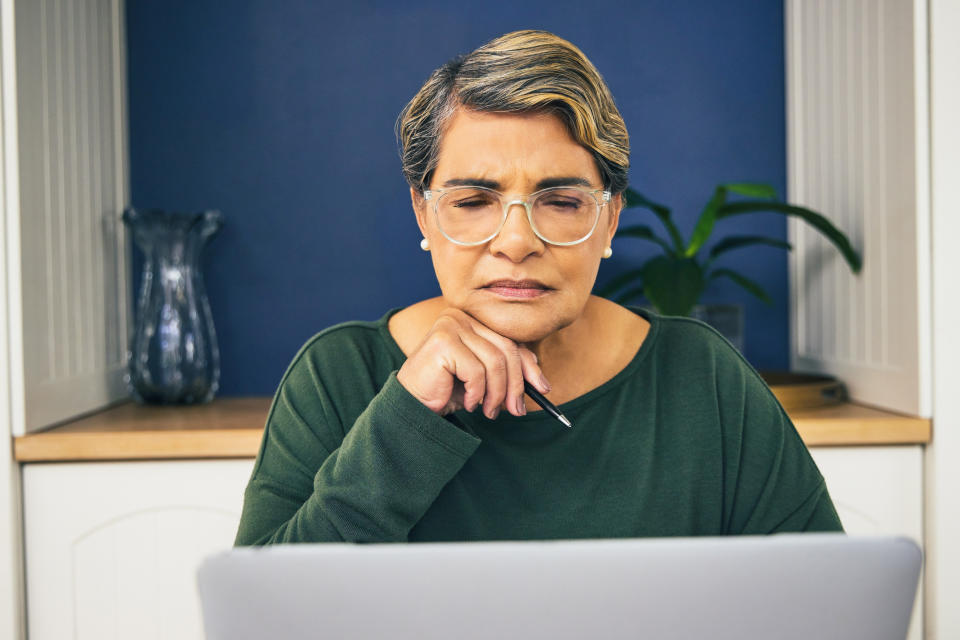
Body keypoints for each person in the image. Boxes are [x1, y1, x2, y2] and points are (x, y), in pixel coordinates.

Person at [234, 30, 842, 545]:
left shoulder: (703, 377)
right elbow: (262, 622)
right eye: (474, 200)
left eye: (560, 200)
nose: (517, 241)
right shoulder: (337, 374)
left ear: (608, 219)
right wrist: (405, 418)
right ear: (424, 216)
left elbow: (829, 609)